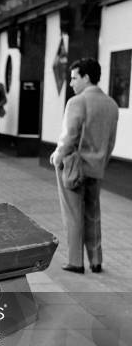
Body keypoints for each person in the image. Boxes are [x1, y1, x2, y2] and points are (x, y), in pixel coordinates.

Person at [50, 58, 118, 274]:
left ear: (86, 77)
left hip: (74, 167)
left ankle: (75, 262)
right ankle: (96, 260)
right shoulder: (111, 104)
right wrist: (101, 162)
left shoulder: (76, 102)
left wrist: (58, 156)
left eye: (74, 78)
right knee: (93, 214)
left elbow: (69, 137)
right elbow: (110, 142)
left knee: (73, 215)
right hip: (96, 168)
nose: (71, 83)